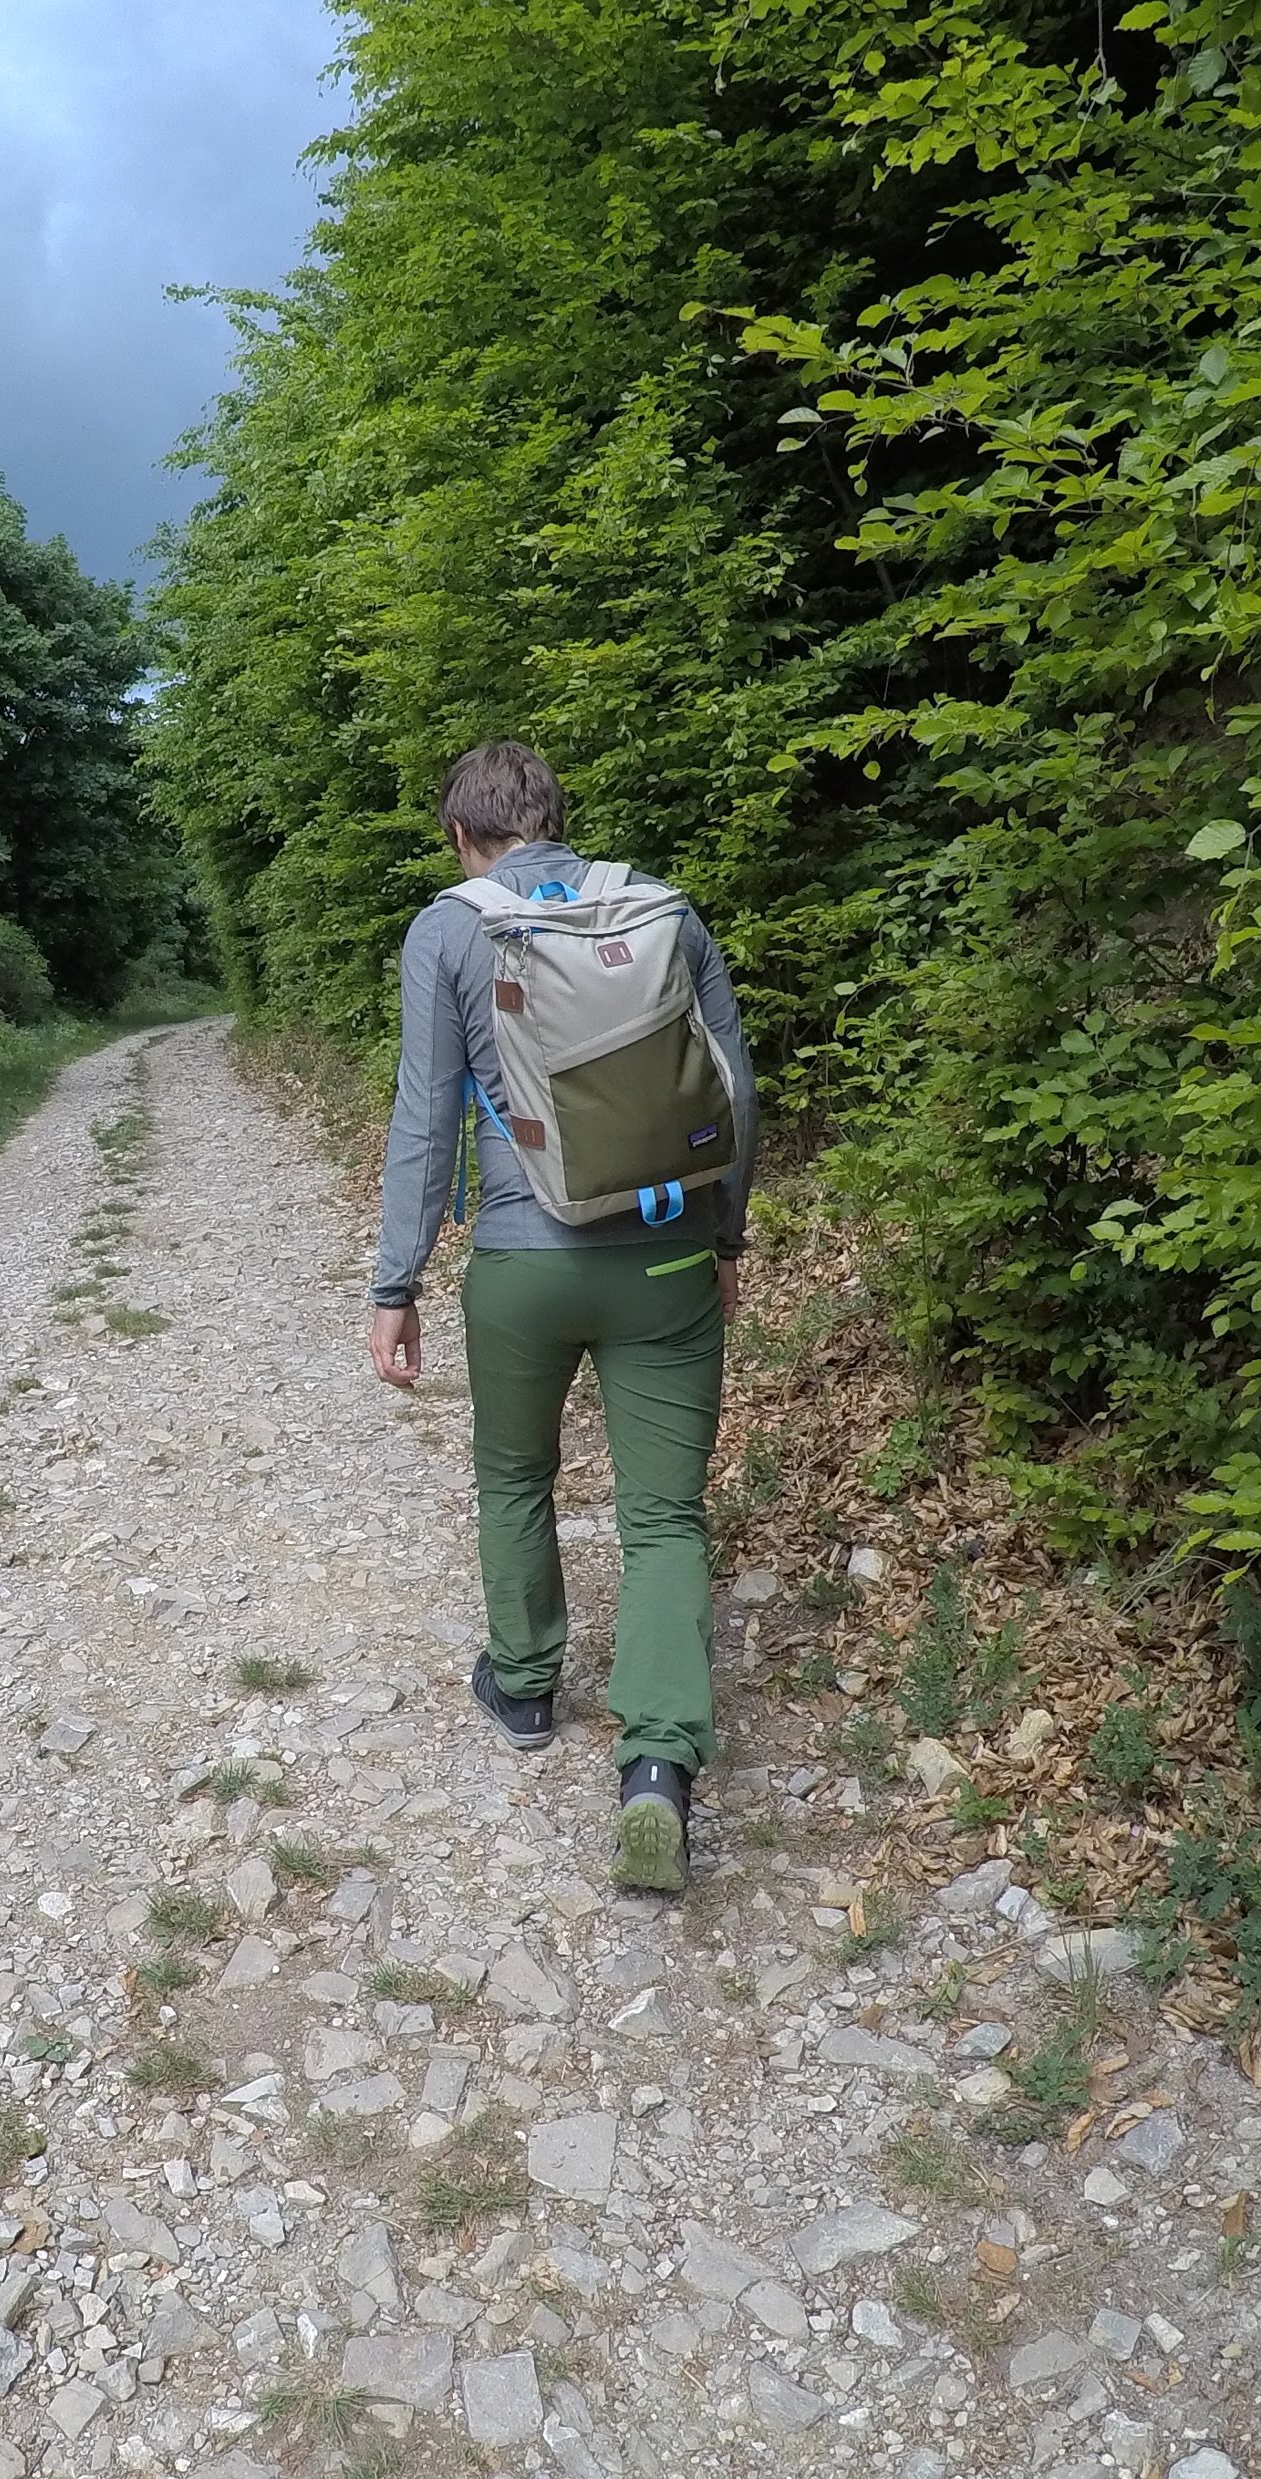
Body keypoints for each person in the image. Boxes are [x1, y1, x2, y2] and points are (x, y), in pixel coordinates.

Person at [366, 743, 756, 1892]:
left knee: (513, 1475)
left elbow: (424, 1120)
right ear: (559, 821)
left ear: (460, 835)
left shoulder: (449, 929)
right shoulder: (664, 914)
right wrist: (724, 1238)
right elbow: (734, 1087)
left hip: (522, 1270)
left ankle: (527, 1686)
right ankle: (655, 1772)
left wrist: (396, 1284)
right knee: (664, 1518)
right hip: (665, 1259)